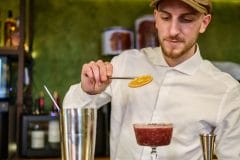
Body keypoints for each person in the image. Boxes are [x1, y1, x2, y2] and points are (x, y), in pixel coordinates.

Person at [63, 0, 240, 159]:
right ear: (155, 18)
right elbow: (71, 111)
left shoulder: (226, 91)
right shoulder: (125, 64)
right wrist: (86, 92)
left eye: (186, 19)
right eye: (165, 17)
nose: (173, 31)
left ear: (204, 22)